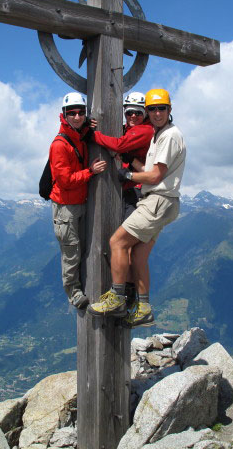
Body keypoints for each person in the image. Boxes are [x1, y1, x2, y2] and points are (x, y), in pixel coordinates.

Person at [88, 88, 186, 327]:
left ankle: (117, 298)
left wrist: (127, 173)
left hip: (156, 200)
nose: (156, 113)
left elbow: (154, 176)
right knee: (137, 255)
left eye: (160, 108)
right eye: (152, 109)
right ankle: (143, 308)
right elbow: (149, 168)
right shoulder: (158, 134)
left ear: (169, 110)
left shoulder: (169, 136)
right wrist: (131, 160)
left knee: (117, 243)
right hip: (164, 202)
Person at [87, 91, 154, 313]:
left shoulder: (144, 131)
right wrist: (97, 124)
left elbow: (118, 144)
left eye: (137, 113)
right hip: (128, 191)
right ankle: (130, 297)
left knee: (123, 245)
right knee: (129, 250)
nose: (132, 116)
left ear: (144, 114)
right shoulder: (133, 128)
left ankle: (122, 296)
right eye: (129, 113)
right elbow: (119, 138)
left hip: (135, 193)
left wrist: (93, 135)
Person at [50, 92, 107, 309]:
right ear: (63, 115)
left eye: (80, 112)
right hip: (65, 207)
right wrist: (90, 172)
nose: (76, 116)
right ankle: (73, 292)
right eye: (71, 113)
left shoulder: (77, 135)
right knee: (71, 252)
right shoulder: (59, 145)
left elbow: (82, 134)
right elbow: (64, 181)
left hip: (79, 203)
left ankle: (83, 286)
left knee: (82, 249)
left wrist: (88, 127)